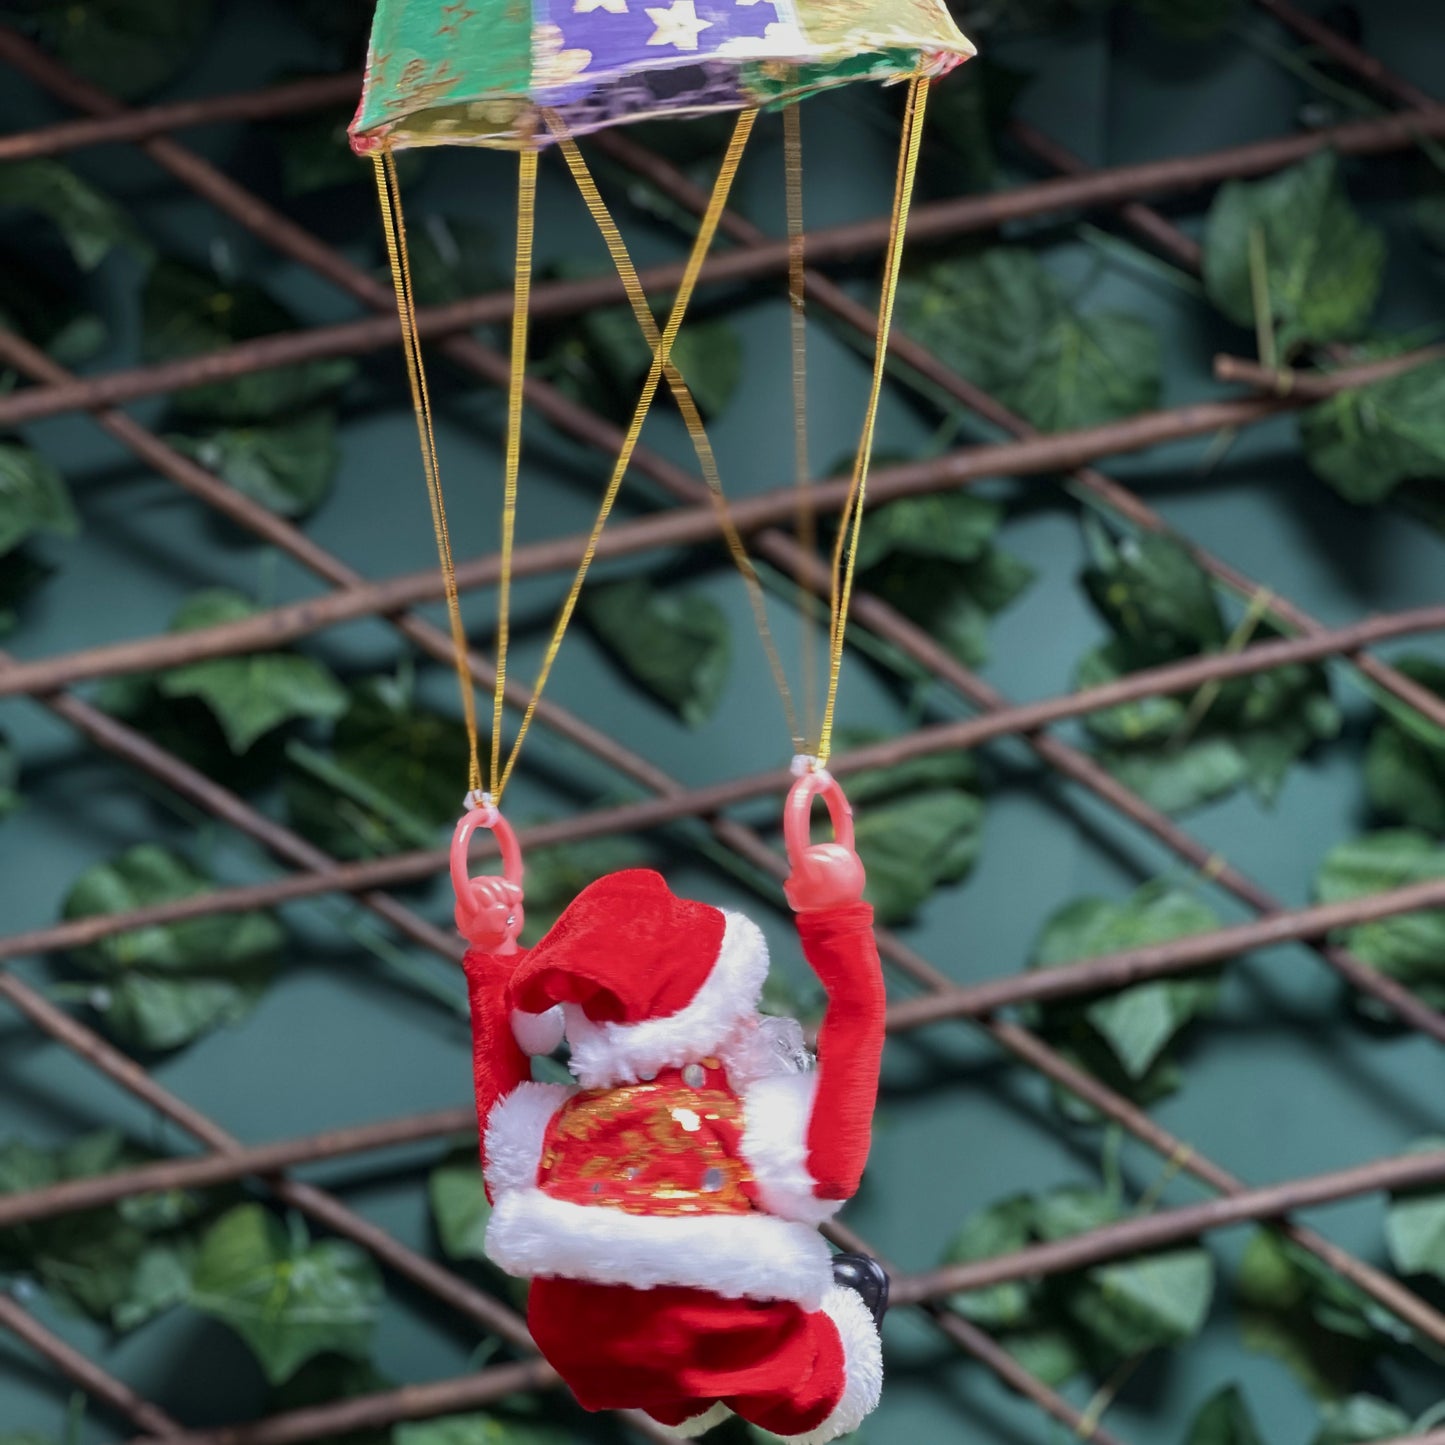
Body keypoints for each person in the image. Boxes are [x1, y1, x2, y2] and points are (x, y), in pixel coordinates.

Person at [459, 775, 888, 1442]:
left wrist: (493, 962)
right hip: (718, 1329)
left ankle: (679, 1402)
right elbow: (851, 1056)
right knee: (814, 1383)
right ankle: (828, 1354)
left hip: (582, 1344)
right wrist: (837, 923)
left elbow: (498, 1108)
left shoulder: (557, 1129)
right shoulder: (756, 1129)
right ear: (722, 1006)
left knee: (649, 1363)